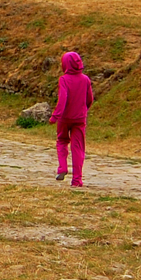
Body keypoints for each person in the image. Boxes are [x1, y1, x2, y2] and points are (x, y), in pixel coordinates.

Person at [50, 51, 94, 187]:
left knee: (62, 141)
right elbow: (90, 99)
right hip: (80, 118)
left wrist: (55, 116)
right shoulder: (85, 79)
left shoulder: (64, 79)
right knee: (78, 147)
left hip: (64, 118)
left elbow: (63, 99)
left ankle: (62, 167)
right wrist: (83, 109)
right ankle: (77, 180)